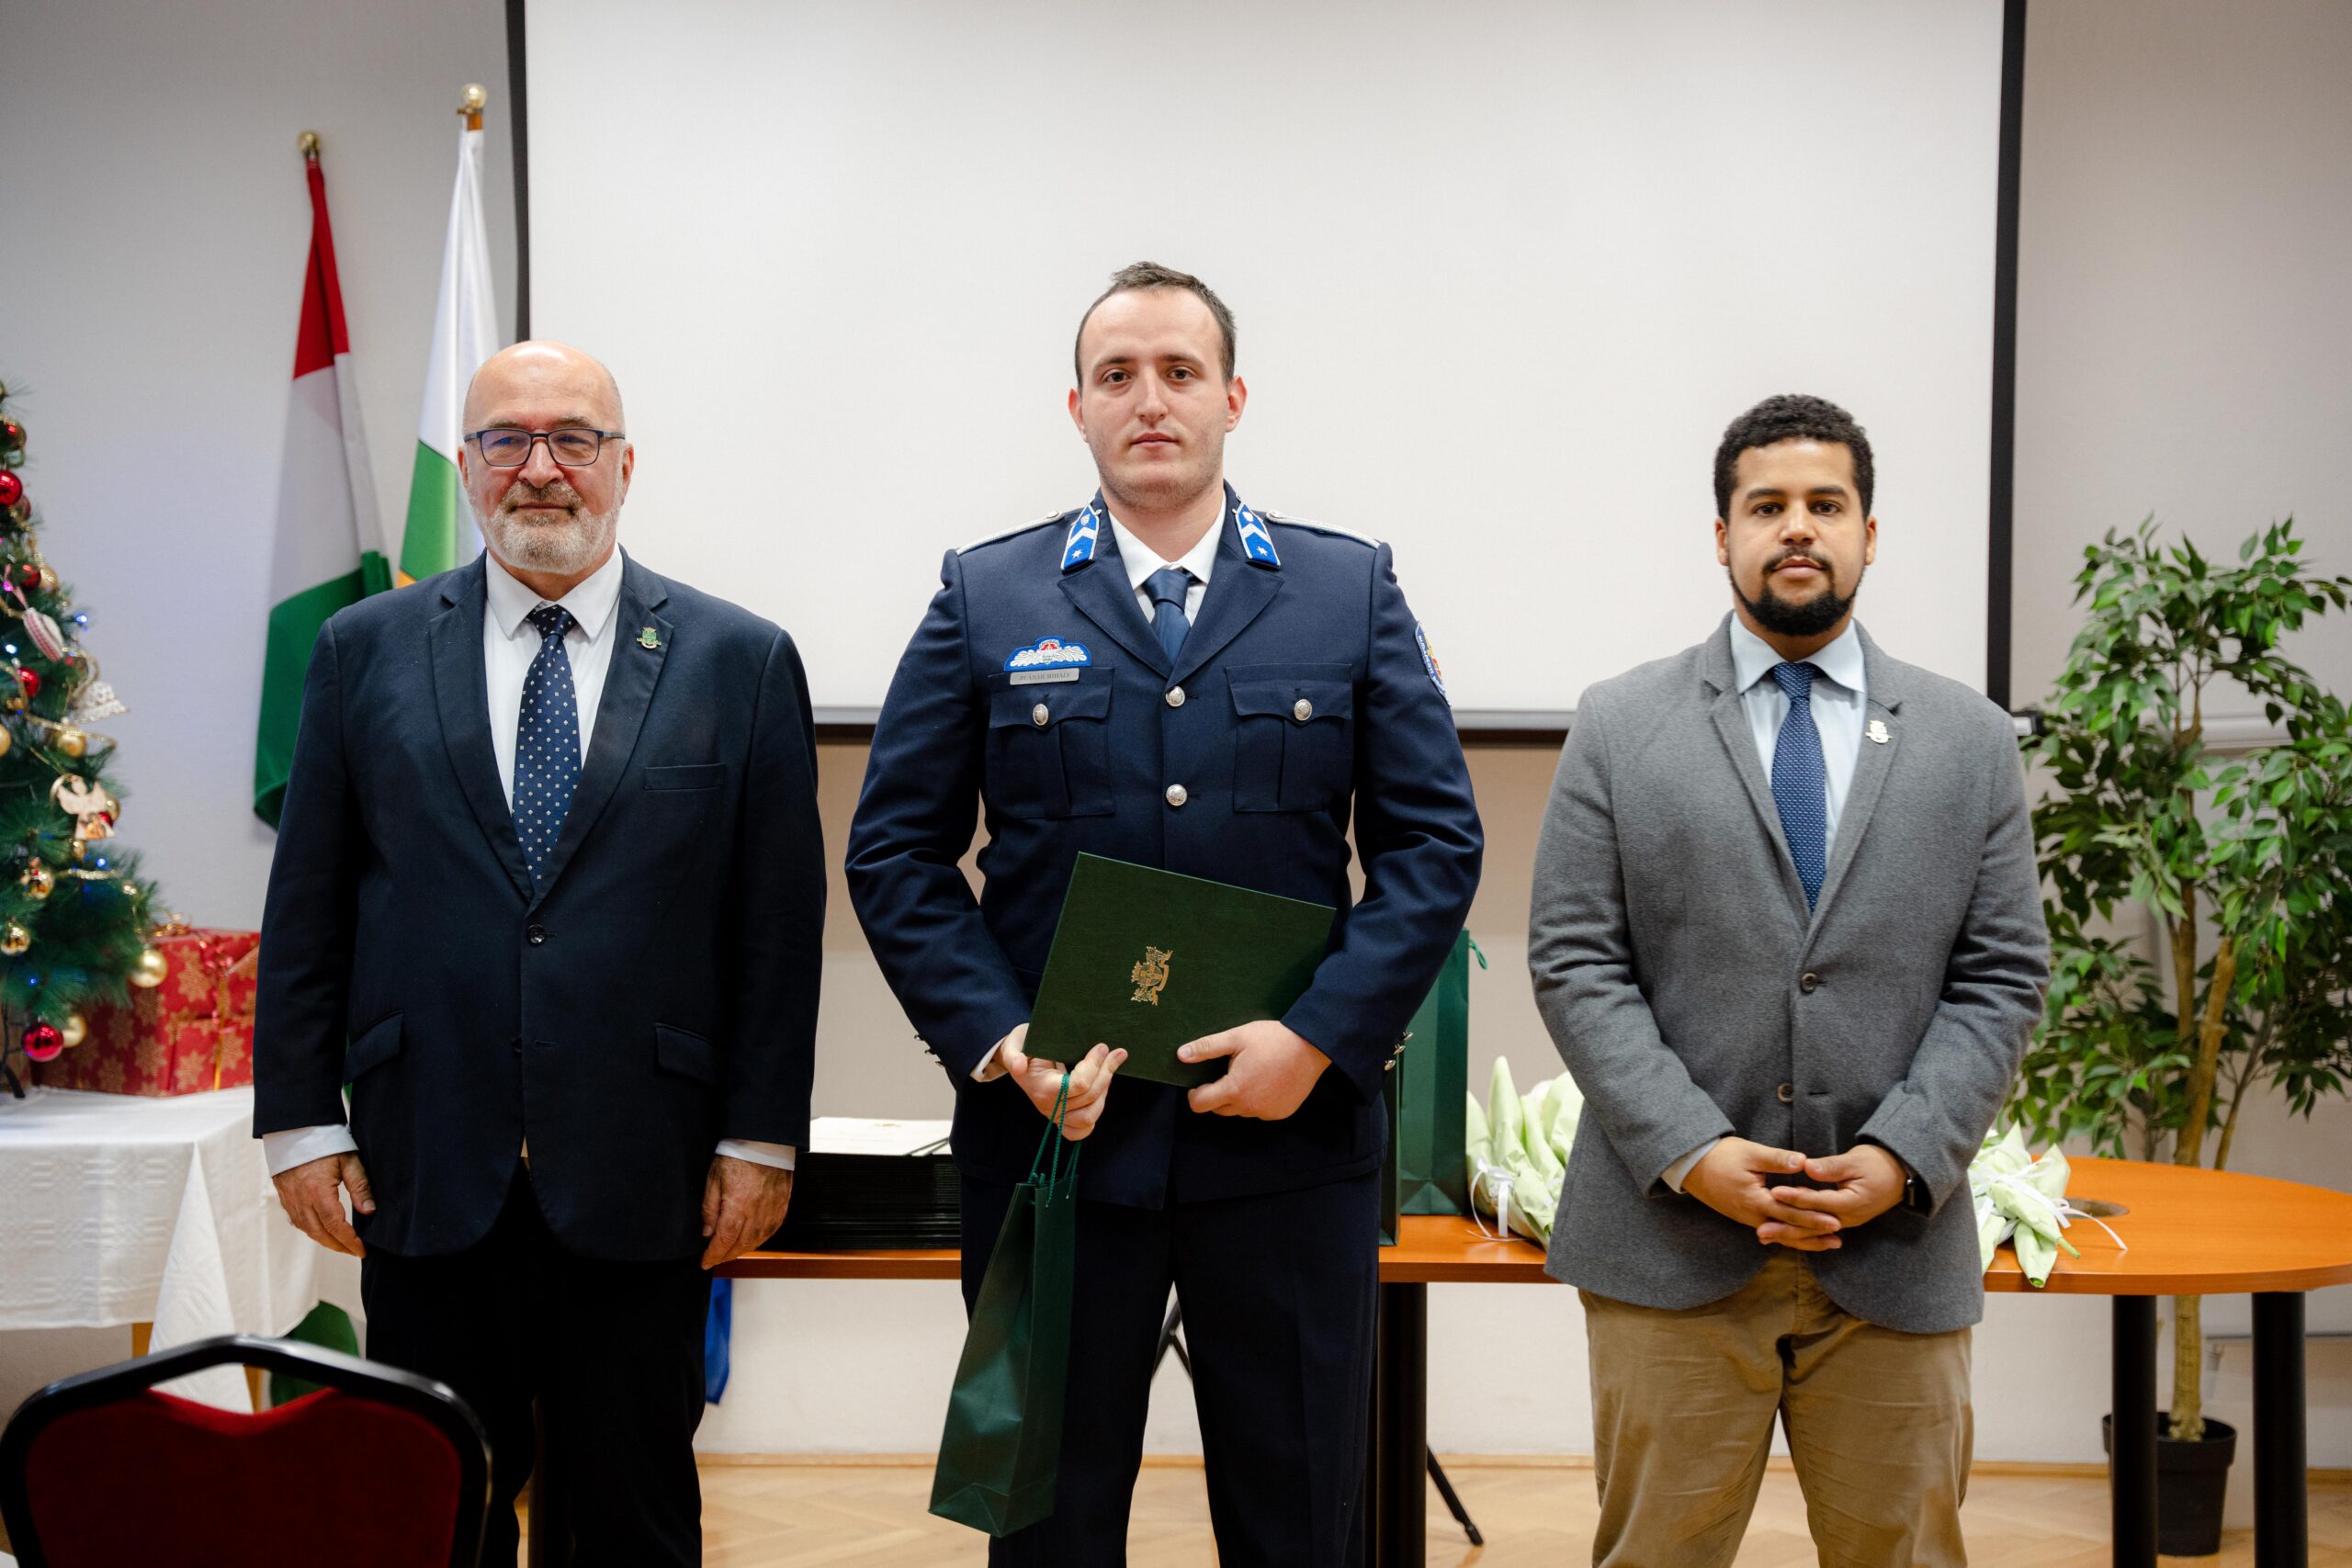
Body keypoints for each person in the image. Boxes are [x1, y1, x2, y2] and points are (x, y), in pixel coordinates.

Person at [847, 262, 1483, 1565]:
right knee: (1048, 1526)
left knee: (1299, 1523)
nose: (1150, 400)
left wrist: (1318, 1039)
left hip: (1288, 1146)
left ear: (1232, 398)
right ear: (1075, 405)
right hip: (1059, 1143)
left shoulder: (1347, 588)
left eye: (1180, 372)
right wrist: (1001, 1040)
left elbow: (1432, 843)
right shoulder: (987, 594)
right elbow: (896, 851)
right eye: (1118, 375)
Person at [253, 341, 826, 1567]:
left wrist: (759, 1136)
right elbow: (309, 906)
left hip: (646, 1171)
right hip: (422, 1166)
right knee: (430, 1522)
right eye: (506, 439)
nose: (541, 468)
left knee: (631, 1523)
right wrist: (300, 1121)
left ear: (624, 464)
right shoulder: (363, 649)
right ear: (466, 466)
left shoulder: (741, 659)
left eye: (573, 437)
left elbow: (776, 931)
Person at [1528, 393, 2050, 1567]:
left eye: (1827, 504)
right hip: (1669, 1247)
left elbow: (2003, 974)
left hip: (1895, 1250)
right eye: (1767, 506)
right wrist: (1693, 1152)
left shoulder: (1969, 739)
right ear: (1724, 536)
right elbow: (1574, 960)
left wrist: (1901, 1158)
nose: (1798, 527)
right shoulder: (1620, 724)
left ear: (1870, 532)